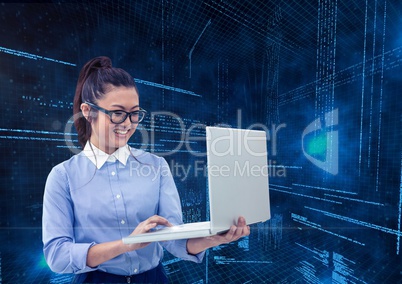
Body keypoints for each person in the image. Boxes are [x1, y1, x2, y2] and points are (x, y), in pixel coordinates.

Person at [42, 56, 250, 283]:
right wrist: (125, 244)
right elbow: (57, 256)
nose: (128, 123)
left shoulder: (155, 166)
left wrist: (216, 238)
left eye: (135, 113)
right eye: (118, 113)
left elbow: (173, 238)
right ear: (88, 111)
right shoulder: (63, 176)